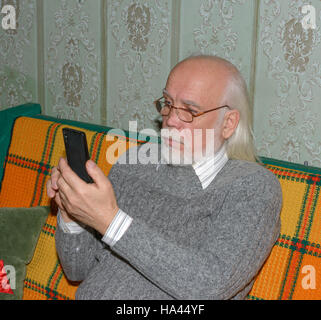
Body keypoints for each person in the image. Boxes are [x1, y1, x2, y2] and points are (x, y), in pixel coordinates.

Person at [47, 55, 282, 300]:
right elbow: (77, 269)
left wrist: (110, 221)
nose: (170, 120)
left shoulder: (252, 186)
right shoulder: (134, 164)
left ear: (228, 123)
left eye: (190, 111)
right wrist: (71, 211)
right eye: (168, 103)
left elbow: (210, 287)